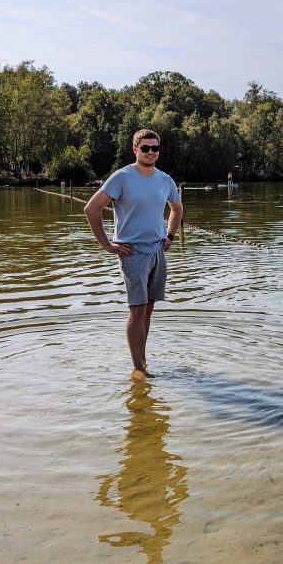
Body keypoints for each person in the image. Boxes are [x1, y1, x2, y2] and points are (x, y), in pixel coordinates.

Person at [84, 129, 183, 380]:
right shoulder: (122, 177)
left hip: (158, 250)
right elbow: (91, 209)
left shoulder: (165, 180)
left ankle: (142, 357)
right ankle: (138, 369)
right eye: (146, 148)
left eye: (155, 148)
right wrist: (107, 244)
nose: (151, 152)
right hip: (133, 252)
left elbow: (177, 207)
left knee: (148, 308)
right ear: (135, 149)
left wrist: (170, 235)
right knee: (137, 309)